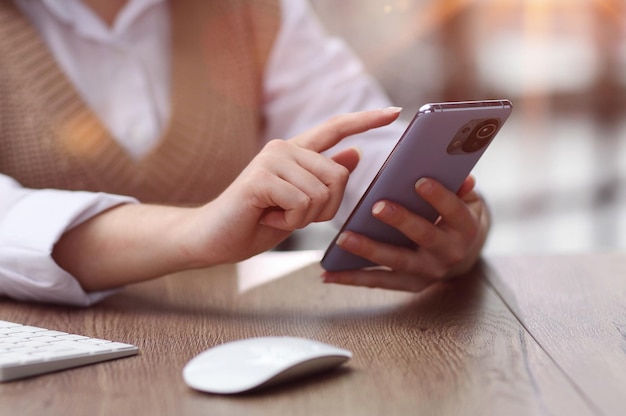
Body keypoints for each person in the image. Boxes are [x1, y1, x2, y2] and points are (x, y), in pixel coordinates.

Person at [0, 0, 489, 306]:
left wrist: (450, 228)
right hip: (40, 354)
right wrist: (197, 231)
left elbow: (367, 148)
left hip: (231, 329)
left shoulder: (256, 11)